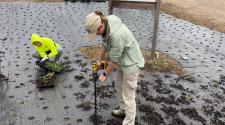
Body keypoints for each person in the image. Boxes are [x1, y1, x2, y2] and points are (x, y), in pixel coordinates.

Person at [85, 11, 145, 125]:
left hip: (131, 63)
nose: (96, 35)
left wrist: (103, 75)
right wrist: (99, 61)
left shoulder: (116, 35)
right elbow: (104, 44)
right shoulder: (106, 23)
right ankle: (123, 110)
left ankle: (129, 122)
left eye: (95, 33)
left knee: (128, 94)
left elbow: (113, 62)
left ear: (100, 26)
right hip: (123, 61)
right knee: (118, 84)